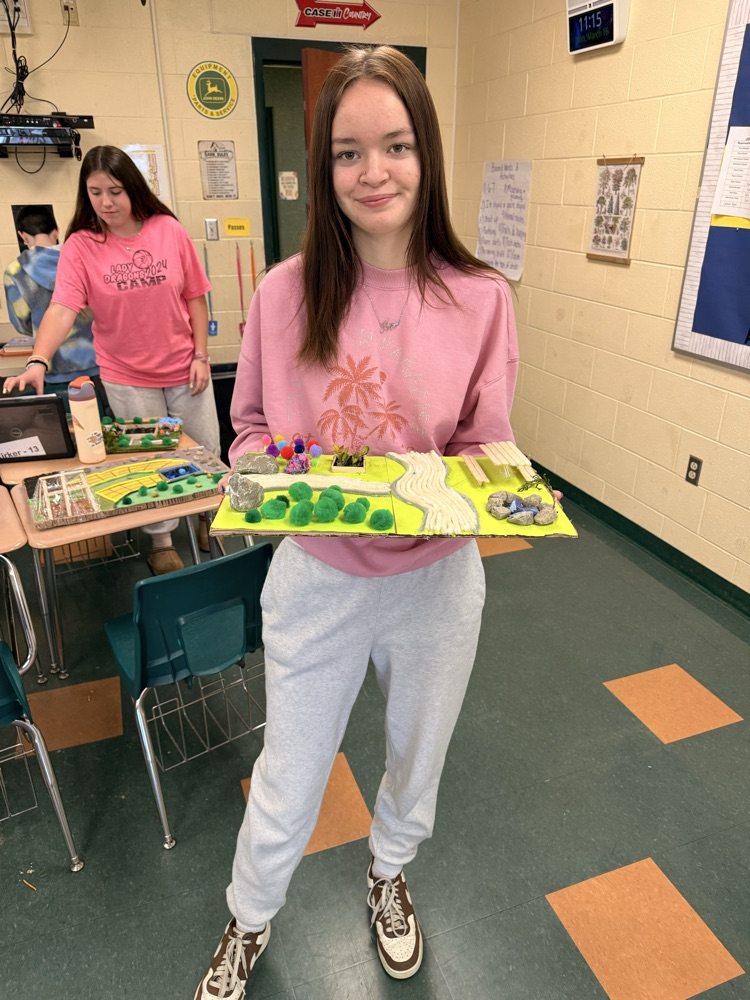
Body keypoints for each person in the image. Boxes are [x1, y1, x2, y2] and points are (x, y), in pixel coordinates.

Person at [195, 45, 519, 999]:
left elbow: (485, 444)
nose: (373, 173)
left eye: (396, 145)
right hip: (319, 576)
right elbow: (248, 431)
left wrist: (466, 489)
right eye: (346, 153)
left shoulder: (482, 295)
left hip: (436, 582)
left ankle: (389, 873)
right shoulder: (284, 292)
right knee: (289, 776)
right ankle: (249, 918)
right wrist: (271, 478)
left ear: (428, 156)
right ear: (324, 169)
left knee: (418, 757)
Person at [2, 146, 220, 574]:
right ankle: (161, 540)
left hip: (184, 367)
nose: (106, 202)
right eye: (96, 192)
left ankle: (207, 518)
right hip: (127, 375)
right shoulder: (83, 245)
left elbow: (195, 296)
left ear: (133, 190)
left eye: (116, 191)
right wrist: (38, 361)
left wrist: (201, 354)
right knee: (149, 461)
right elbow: (62, 308)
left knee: (204, 451)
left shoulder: (168, 230)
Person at [3, 204, 99, 405]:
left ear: (23, 235)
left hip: (50, 364)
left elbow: (21, 324)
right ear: (56, 231)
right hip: (98, 361)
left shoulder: (15, 271)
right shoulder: (81, 259)